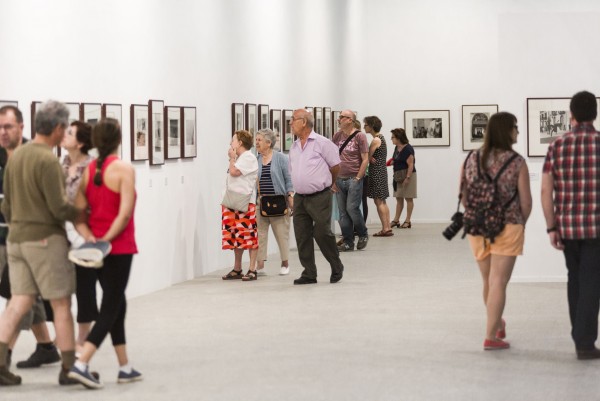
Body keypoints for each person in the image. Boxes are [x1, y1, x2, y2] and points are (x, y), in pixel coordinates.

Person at [0, 100, 83, 386]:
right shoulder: (47, 159)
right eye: (65, 129)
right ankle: (70, 367)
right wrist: (83, 212)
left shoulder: (16, 157)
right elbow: (59, 208)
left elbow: (7, 207)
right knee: (60, 304)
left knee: (18, 301)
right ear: (58, 128)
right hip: (45, 240)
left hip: (15, 240)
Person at [68, 118, 141, 388]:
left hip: (97, 250)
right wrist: (106, 241)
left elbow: (78, 214)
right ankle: (81, 362)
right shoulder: (123, 169)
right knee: (110, 306)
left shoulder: (89, 170)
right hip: (118, 249)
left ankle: (125, 367)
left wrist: (92, 239)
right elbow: (123, 215)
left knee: (118, 304)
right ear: (119, 139)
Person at [461, 111, 531, 350]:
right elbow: (526, 202)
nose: (518, 132)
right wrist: (521, 223)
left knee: (488, 281)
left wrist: (478, 213)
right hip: (508, 225)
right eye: (515, 127)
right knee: (499, 281)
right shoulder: (516, 161)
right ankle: (491, 336)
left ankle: (497, 322)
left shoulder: (471, 158)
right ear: (507, 130)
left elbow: (463, 195)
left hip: (477, 225)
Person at [0, 106, 61, 372]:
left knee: (19, 295)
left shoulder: (34, 155)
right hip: (4, 237)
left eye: (8, 127)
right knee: (27, 295)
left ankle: (4, 355)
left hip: (23, 239)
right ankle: (47, 347)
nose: (3, 132)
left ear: (22, 127)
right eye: (0, 127)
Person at [541, 91, 600, 360]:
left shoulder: (557, 145)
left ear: (571, 115)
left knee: (574, 279)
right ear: (595, 114)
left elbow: (545, 190)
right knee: (591, 282)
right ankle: (584, 341)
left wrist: (551, 227)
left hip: (567, 227)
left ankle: (580, 336)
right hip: (596, 228)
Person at [288, 108, 344, 285]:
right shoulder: (294, 146)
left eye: (293, 119)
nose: (290, 122)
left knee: (322, 233)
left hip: (320, 196)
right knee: (302, 235)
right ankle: (309, 273)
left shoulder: (322, 143)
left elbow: (335, 166)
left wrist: (328, 183)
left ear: (304, 122)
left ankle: (336, 265)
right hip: (300, 198)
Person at [61, 121, 97, 355]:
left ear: (81, 142)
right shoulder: (60, 164)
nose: (64, 136)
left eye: (70, 133)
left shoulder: (91, 167)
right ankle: (63, 335)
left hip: (85, 234)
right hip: (61, 233)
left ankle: (82, 338)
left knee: (85, 288)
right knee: (61, 288)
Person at [221, 130, 259, 281]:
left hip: (244, 203)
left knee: (249, 236)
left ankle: (252, 269)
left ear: (240, 143)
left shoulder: (248, 157)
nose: (231, 143)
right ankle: (237, 268)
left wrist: (231, 158)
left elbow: (234, 172)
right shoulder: (240, 157)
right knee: (235, 236)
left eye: (233, 140)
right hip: (233, 202)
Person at [255, 129, 294, 276]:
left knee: (281, 234)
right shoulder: (256, 159)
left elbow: (289, 179)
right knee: (260, 234)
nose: (257, 142)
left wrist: (290, 196)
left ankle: (285, 263)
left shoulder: (281, 158)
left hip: (278, 201)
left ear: (268, 143)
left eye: (259, 140)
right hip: (262, 202)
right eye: (256, 140)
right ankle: (260, 265)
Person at [332, 110, 369, 252]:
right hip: (339, 179)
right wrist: (332, 180)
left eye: (341, 117)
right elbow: (332, 158)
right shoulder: (337, 136)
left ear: (350, 120)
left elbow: (365, 159)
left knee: (352, 209)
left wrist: (358, 178)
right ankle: (348, 241)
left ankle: (363, 234)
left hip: (354, 178)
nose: (339, 120)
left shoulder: (360, 136)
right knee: (342, 213)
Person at [364, 116, 392, 236]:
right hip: (381, 171)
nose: (364, 127)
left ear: (371, 126)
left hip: (376, 172)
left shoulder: (376, 140)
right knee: (382, 201)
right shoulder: (381, 138)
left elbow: (367, 157)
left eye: (366, 125)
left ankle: (385, 228)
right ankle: (387, 227)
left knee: (379, 201)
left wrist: (369, 158)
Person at [389, 128, 417, 229]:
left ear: (399, 138)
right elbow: (394, 160)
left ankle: (407, 221)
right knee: (399, 198)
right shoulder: (396, 148)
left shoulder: (408, 149)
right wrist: (386, 163)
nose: (391, 139)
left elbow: (410, 165)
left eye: (393, 137)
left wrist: (408, 178)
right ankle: (396, 220)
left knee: (408, 198)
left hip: (408, 175)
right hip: (398, 176)